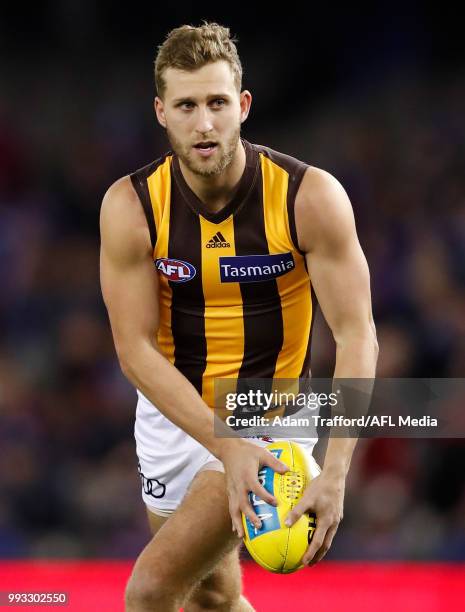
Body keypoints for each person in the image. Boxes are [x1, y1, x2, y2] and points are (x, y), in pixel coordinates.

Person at [99, 21, 378, 612]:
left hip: (268, 413)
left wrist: (335, 471)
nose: (204, 123)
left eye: (218, 103)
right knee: (213, 598)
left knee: (150, 592)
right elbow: (134, 350)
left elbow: (357, 335)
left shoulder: (309, 197)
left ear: (244, 105)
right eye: (187, 105)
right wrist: (220, 448)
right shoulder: (131, 206)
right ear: (160, 111)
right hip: (174, 413)